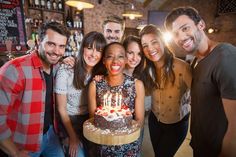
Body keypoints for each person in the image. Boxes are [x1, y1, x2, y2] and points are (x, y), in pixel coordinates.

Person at [165, 6, 236, 157]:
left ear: (201, 25)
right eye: (176, 34)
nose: (181, 37)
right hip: (201, 146)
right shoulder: (196, 61)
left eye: (185, 28)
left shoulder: (225, 57)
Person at [0, 21, 70, 157]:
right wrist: (14, 152)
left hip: (51, 135)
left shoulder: (57, 68)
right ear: (38, 41)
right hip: (23, 144)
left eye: (62, 46)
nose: (57, 51)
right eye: (51, 44)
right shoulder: (15, 69)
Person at [139, 24, 192, 157]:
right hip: (154, 120)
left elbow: (200, 97)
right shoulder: (146, 69)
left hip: (177, 124)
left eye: (154, 42)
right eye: (145, 45)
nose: (150, 48)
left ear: (163, 41)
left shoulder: (183, 67)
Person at [54, 31, 106, 157]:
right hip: (68, 121)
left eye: (98, 50)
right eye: (89, 48)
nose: (93, 54)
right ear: (83, 48)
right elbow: (61, 109)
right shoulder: (66, 70)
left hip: (90, 119)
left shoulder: (100, 74)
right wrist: (72, 137)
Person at [88, 42, 145, 157]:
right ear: (104, 60)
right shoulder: (95, 85)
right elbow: (94, 119)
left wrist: (123, 138)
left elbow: (139, 120)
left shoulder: (137, 85)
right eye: (110, 56)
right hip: (102, 145)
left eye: (120, 56)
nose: (115, 61)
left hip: (128, 146)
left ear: (125, 60)